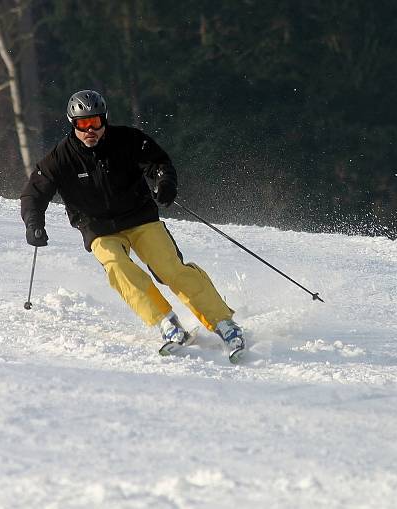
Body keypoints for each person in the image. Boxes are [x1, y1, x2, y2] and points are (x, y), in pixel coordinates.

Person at [20, 89, 245, 361]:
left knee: (169, 268)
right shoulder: (60, 158)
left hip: (139, 217)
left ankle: (224, 323)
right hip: (97, 227)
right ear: (73, 124)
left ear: (105, 120)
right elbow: (34, 193)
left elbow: (158, 163)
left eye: (95, 122)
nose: (89, 129)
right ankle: (168, 324)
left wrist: (165, 183)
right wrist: (34, 223)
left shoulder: (128, 140)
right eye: (82, 124)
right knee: (117, 266)